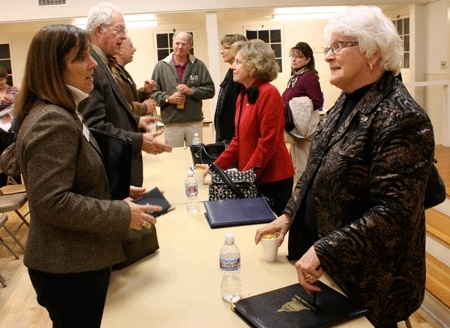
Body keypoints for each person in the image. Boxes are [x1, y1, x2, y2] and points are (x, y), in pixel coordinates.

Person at [255, 6, 435, 327]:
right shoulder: (347, 99)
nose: (327, 56)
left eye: (339, 46)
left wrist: (326, 250)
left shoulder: (401, 116)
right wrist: (288, 215)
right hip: (331, 269)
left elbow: (394, 212)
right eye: (329, 47)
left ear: (372, 53)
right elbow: (315, 167)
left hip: (371, 279)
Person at [14, 24, 162, 328]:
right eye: (81, 58)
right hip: (67, 266)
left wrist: (112, 191)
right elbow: (52, 203)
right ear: (53, 69)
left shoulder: (64, 111)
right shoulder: (51, 121)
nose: (93, 63)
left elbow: (73, 178)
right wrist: (119, 212)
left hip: (76, 260)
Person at [79, 2, 172, 187]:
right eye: (119, 30)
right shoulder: (93, 67)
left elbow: (110, 110)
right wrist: (138, 140)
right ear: (99, 30)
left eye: (125, 30)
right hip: (111, 171)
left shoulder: (104, 62)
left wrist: (136, 121)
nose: (124, 36)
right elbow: (94, 126)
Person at [199, 39, 295, 216]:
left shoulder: (269, 93)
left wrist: (245, 177)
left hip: (273, 179)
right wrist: (214, 167)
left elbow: (268, 143)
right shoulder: (243, 96)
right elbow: (237, 141)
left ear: (254, 65)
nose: (232, 67)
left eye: (238, 62)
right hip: (252, 177)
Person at [151, 31, 215, 148]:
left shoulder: (199, 65)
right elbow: (153, 92)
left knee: (196, 155)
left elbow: (210, 90)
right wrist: (168, 99)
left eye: (184, 44)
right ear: (172, 44)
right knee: (174, 158)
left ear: (190, 46)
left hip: (194, 121)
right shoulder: (160, 66)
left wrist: (192, 91)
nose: (180, 47)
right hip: (171, 123)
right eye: (177, 43)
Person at [282, 42, 324, 180]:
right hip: (294, 127)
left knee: (303, 167)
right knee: (297, 166)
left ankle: (304, 197)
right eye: (292, 56)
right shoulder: (296, 77)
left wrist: (293, 105)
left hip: (303, 129)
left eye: (298, 57)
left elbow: (317, 101)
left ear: (307, 59)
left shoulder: (308, 78)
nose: (293, 59)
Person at [112, 36, 158, 117]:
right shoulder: (114, 73)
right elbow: (121, 108)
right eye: (130, 46)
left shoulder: (122, 71)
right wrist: (144, 107)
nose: (134, 49)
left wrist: (144, 92)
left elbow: (130, 97)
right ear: (119, 49)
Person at [214, 34, 247, 143]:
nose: (221, 51)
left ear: (237, 49)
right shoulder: (231, 72)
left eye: (225, 48)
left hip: (235, 137)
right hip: (227, 137)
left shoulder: (242, 76)